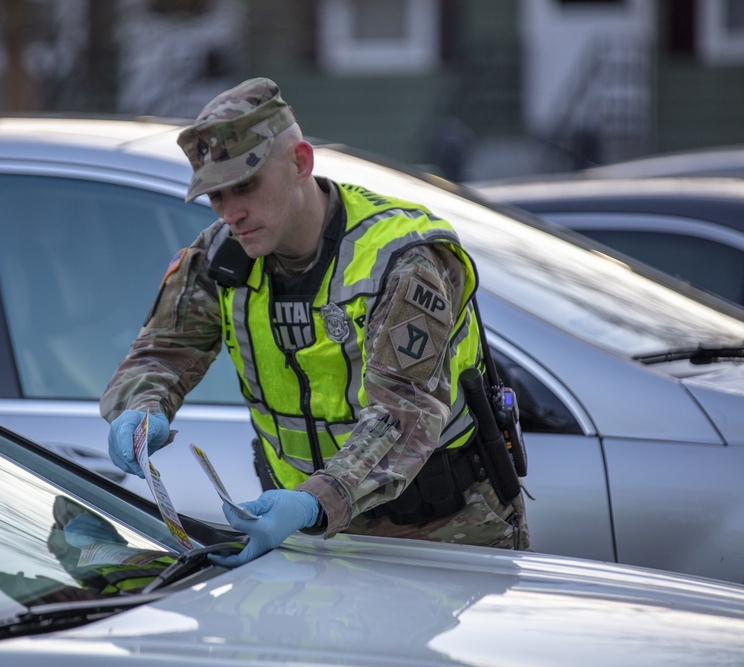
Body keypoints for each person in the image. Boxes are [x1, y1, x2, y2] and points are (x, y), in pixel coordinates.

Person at [101, 77, 529, 567]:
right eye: (216, 196)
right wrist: (142, 407)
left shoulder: (402, 259)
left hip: (443, 533)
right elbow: (162, 351)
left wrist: (313, 502)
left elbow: (404, 415)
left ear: (301, 162)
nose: (231, 213)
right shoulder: (219, 257)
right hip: (308, 540)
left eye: (245, 185)